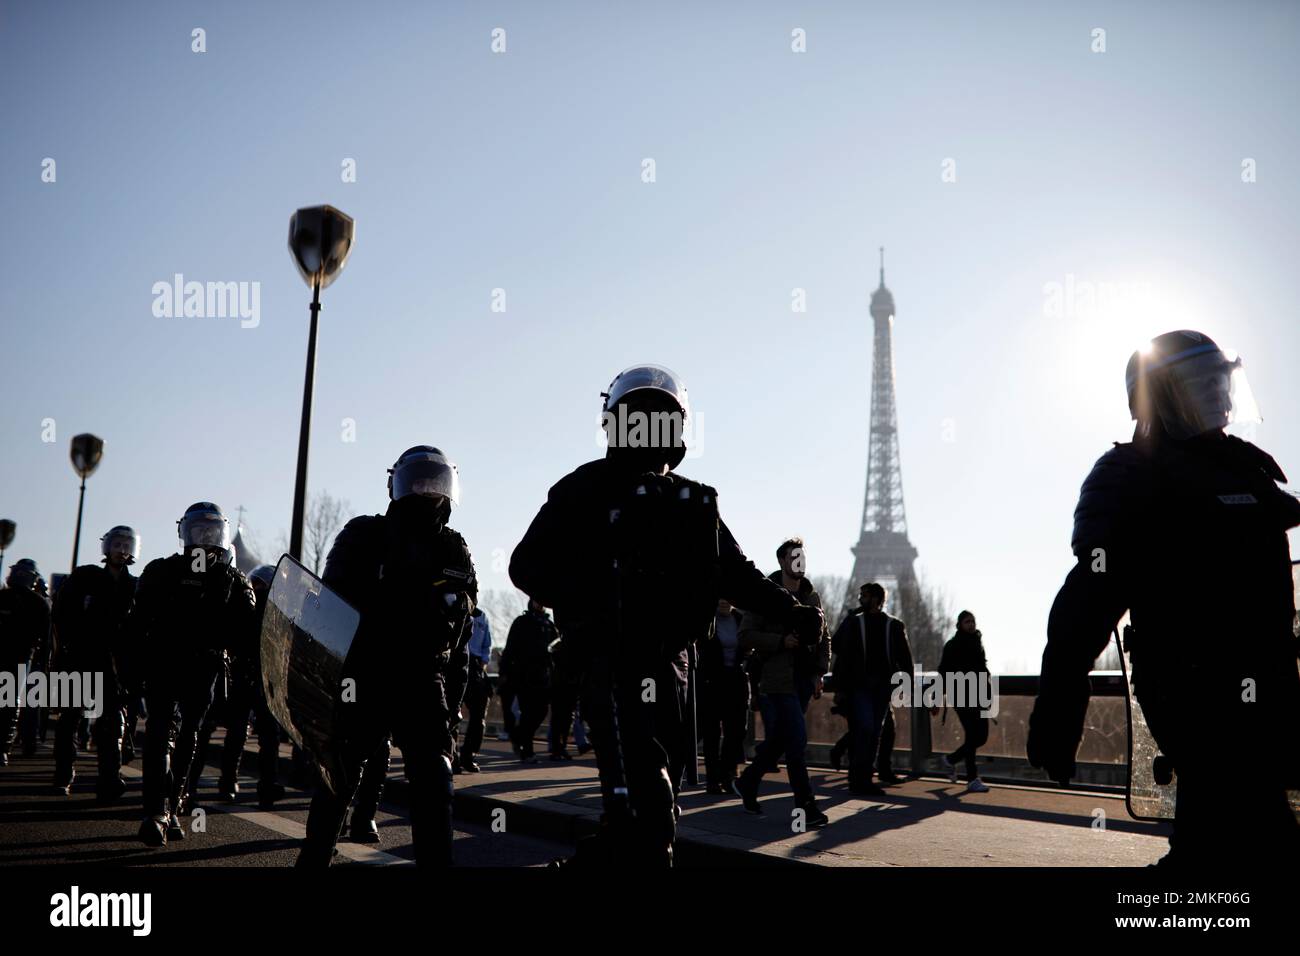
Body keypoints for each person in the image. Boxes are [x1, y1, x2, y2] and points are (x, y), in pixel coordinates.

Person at [511, 364, 822, 866]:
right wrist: (593, 598)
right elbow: (525, 565)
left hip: (674, 668)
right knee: (650, 802)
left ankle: (604, 856)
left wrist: (793, 612)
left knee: (653, 802)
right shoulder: (583, 489)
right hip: (608, 663)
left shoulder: (694, 501)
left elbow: (735, 572)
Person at [1028, 330, 1300, 865]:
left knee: (1230, 831)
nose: (1220, 397)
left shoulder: (1248, 466)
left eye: (1223, 382)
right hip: (1191, 687)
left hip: (1267, 685)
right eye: (1203, 385)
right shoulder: (1129, 478)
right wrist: (1060, 707)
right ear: (1163, 398)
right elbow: (1086, 600)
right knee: (1245, 824)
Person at [298, 445, 477, 867]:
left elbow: (462, 637)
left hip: (423, 678)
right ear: (396, 485)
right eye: (418, 481)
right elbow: (327, 610)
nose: (427, 491)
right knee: (339, 772)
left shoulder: (454, 548)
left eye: (436, 482)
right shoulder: (363, 534)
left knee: (436, 774)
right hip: (365, 674)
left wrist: (451, 708)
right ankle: (314, 859)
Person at [131, 503, 258, 846]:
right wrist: (135, 668)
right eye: (199, 530)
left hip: (204, 670)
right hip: (164, 665)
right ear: (186, 533)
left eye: (211, 530)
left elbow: (247, 632)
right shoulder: (162, 570)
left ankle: (173, 806)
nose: (205, 536)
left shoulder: (233, 579)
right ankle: (155, 812)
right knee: (159, 733)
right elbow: (139, 622)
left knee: (190, 735)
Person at [734, 539, 830, 826]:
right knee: (797, 741)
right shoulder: (764, 595)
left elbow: (825, 637)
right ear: (782, 562)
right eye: (794, 557)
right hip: (777, 680)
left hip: (802, 679)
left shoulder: (812, 597)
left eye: (802, 557)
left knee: (781, 740)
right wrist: (780, 642)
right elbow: (745, 636)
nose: (800, 562)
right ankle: (806, 806)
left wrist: (819, 672)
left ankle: (749, 782)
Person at [51, 527, 140, 801]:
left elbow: (139, 626)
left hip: (113, 666)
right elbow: (61, 613)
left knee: (112, 724)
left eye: (126, 544)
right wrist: (67, 648)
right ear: (107, 547)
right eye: (117, 543)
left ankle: (110, 779)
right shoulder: (84, 576)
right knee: (70, 721)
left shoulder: (135, 585)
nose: (121, 549)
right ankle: (63, 776)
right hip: (80, 658)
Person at [188, 563, 285, 808]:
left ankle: (239, 782)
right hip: (250, 675)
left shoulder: (269, 610)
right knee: (251, 732)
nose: (261, 589)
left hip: (255, 675)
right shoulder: (264, 609)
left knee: (249, 732)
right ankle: (249, 783)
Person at [830, 581, 913, 796]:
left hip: (881, 688)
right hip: (861, 687)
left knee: (873, 732)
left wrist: (906, 682)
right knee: (866, 730)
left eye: (864, 596)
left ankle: (862, 779)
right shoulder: (856, 623)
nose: (860, 599)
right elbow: (838, 646)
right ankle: (859, 778)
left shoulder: (893, 625)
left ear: (876, 599)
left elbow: (905, 659)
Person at [0, 560, 52, 767]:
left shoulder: (38, 603)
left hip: (21, 658)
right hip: (22, 659)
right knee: (12, 704)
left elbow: (45, 638)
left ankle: (5, 746)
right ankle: (5, 746)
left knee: (12, 704)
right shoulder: (38, 603)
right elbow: (45, 639)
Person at [699, 598, 749, 794]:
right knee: (712, 731)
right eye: (719, 597)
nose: (723, 601)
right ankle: (713, 778)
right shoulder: (706, 620)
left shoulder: (740, 619)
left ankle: (728, 774)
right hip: (712, 681)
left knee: (736, 730)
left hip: (736, 680)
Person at [936, 610, 990, 793]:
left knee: (981, 736)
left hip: (979, 694)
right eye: (967, 621)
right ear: (959, 624)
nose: (971, 624)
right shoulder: (952, 645)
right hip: (960, 695)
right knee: (974, 735)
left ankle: (951, 760)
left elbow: (983, 668)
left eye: (973, 621)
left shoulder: (977, 642)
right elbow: (943, 672)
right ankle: (972, 778)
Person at [499, 599, 556, 763]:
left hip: (543, 675)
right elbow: (509, 647)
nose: (540, 604)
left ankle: (518, 736)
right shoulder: (522, 622)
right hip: (524, 675)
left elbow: (556, 646)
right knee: (528, 712)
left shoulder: (548, 623)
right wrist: (504, 672)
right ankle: (527, 751)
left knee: (541, 711)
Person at [459, 606, 493, 772]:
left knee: (479, 713)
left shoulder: (482, 617)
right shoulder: (454, 607)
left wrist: (483, 664)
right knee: (450, 713)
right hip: (456, 661)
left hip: (475, 666)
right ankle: (449, 756)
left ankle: (468, 755)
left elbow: (487, 644)